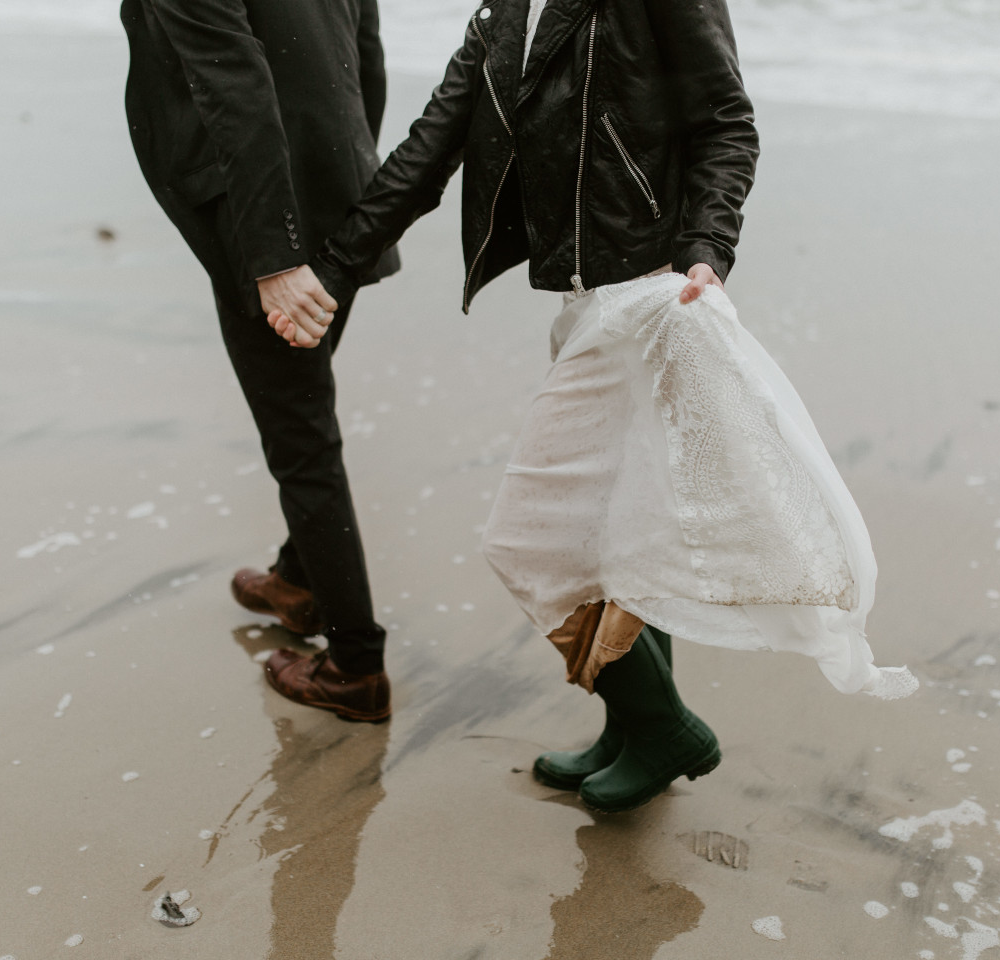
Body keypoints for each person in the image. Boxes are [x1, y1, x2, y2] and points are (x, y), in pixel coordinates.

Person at [275, 0, 916, 810]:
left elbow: (725, 119)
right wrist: (333, 268)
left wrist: (708, 249)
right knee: (631, 529)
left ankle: (660, 726)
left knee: (532, 544)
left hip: (656, 303)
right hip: (586, 305)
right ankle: (630, 737)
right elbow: (427, 151)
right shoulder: (504, 12)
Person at [121, 0, 399, 723]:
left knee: (301, 438)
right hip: (343, 188)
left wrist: (273, 257)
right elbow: (363, 55)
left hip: (263, 214)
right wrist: (352, 193)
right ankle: (297, 581)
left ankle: (355, 666)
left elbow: (234, 85)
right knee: (307, 407)